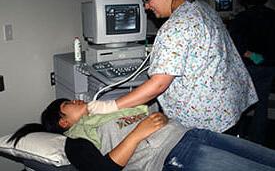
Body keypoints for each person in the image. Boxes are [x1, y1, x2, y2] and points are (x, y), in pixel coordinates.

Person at [88, 0, 258, 133]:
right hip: (229, 103)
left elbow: (159, 84)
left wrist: (109, 106)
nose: (146, 7)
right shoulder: (201, 7)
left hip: (207, 118)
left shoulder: (175, 27)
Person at [8, 98, 275, 171]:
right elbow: (103, 170)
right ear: (63, 122)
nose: (78, 100)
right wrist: (138, 133)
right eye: (69, 103)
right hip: (174, 155)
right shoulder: (76, 141)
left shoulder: (103, 114)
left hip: (193, 134)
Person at [227, 0, 275, 144]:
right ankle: (257, 142)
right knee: (261, 105)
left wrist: (252, 56)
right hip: (269, 66)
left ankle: (237, 142)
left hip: (250, 67)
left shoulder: (242, 18)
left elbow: (234, 46)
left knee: (239, 104)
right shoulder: (272, 15)